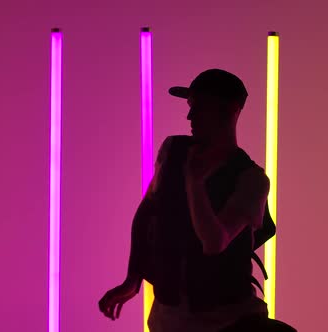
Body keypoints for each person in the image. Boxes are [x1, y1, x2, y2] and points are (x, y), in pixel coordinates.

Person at [99, 69, 273, 331]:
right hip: (168, 315)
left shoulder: (251, 178)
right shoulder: (173, 151)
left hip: (229, 320)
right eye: (191, 106)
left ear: (230, 110)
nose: (190, 116)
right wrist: (133, 278)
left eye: (200, 107)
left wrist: (195, 183)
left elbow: (214, 242)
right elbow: (147, 212)